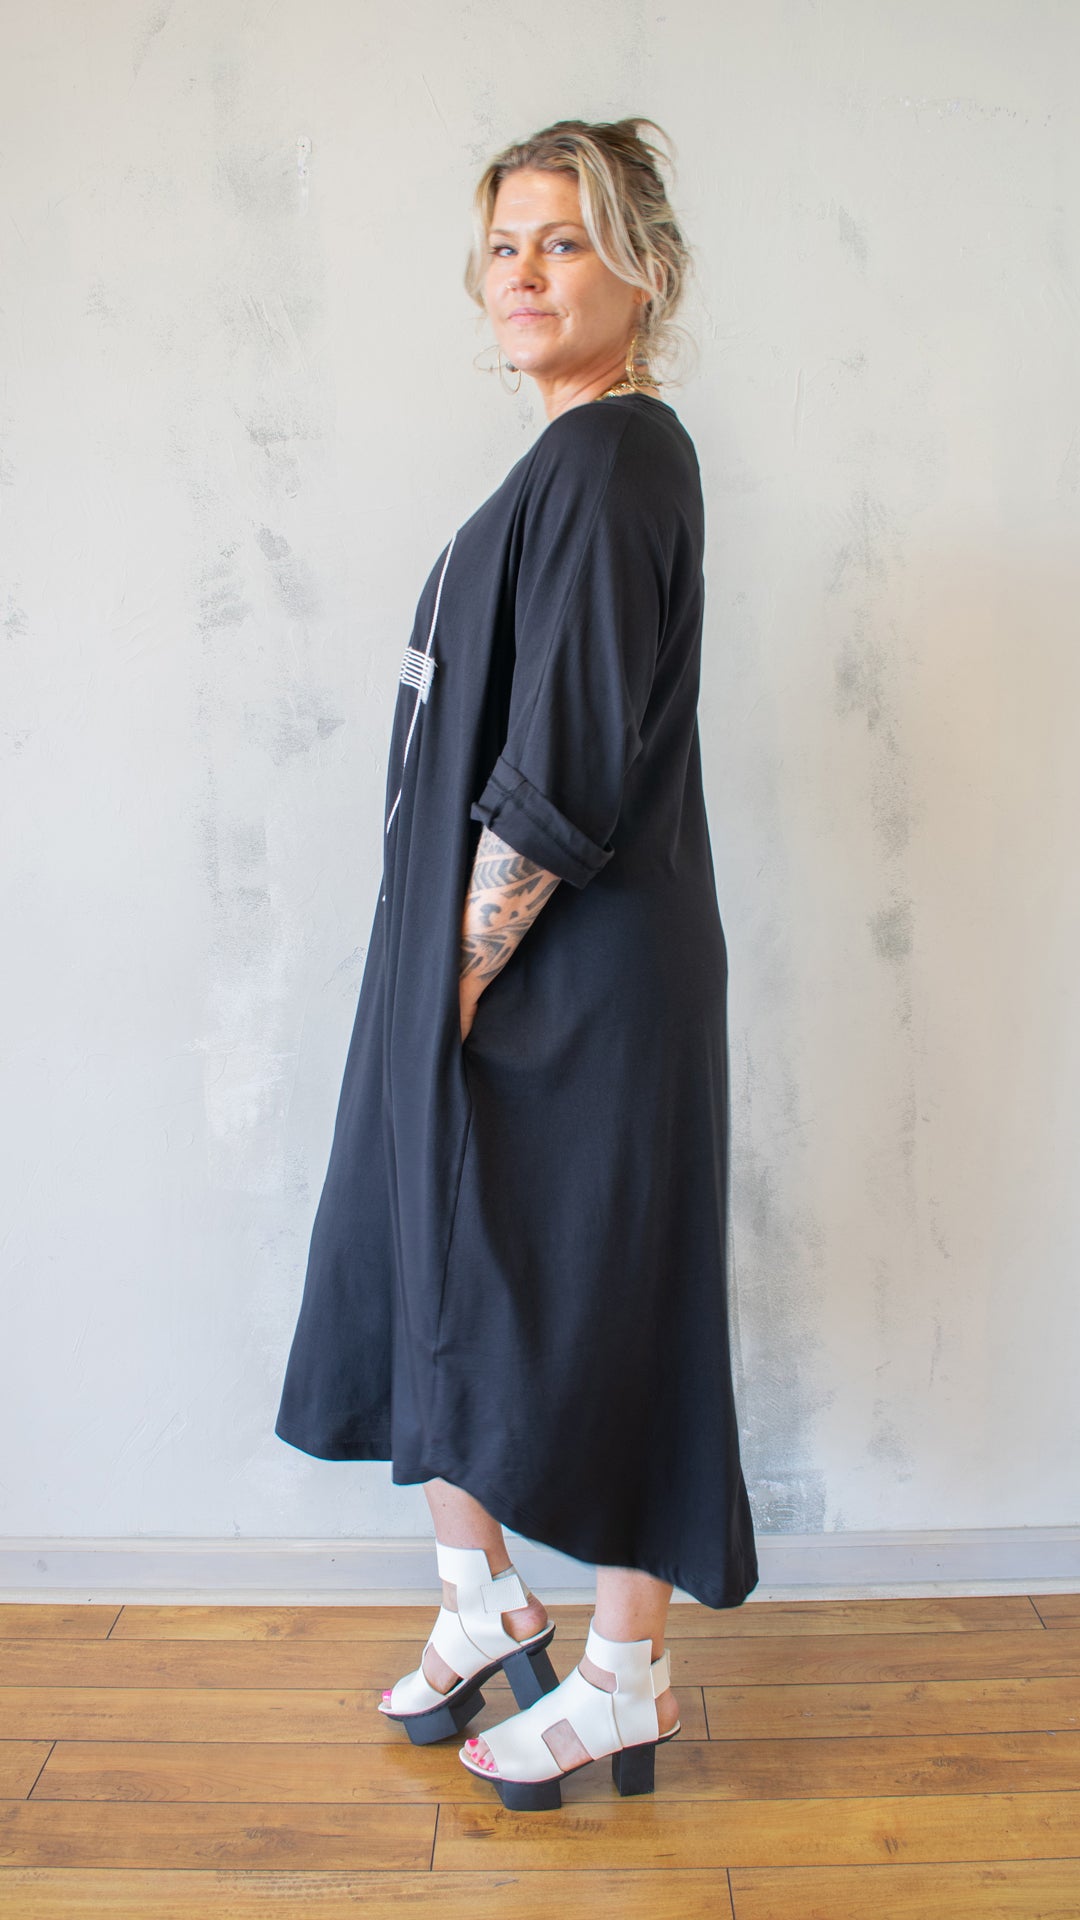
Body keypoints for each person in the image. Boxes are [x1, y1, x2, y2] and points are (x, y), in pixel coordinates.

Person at [275, 115, 758, 1813]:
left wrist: (468, 971)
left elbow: (562, 763)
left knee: (608, 1294)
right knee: (422, 1256)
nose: (526, 273)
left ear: (645, 270)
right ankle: (481, 1599)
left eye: (565, 240)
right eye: (505, 244)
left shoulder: (620, 458)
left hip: (573, 975)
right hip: (482, 956)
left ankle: (626, 1674)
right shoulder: (555, 466)